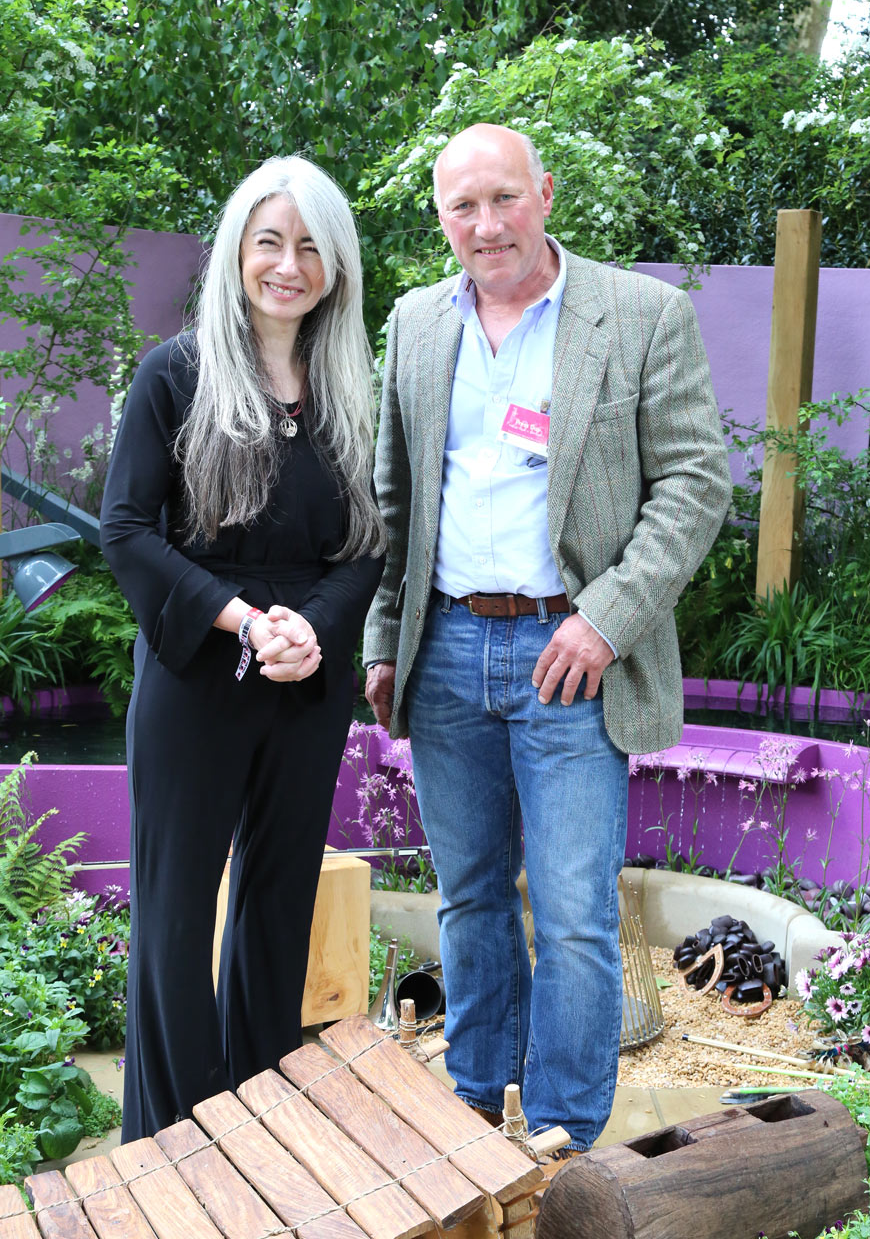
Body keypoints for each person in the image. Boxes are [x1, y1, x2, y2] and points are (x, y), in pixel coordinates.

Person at [363, 123, 732, 1155]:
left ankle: (562, 1138)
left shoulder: (641, 315)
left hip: (568, 657)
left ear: (545, 196)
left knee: (571, 914)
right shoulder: (415, 324)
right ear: (440, 219)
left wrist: (606, 619)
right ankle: (478, 1109)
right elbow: (395, 498)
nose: (485, 226)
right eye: (461, 208)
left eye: (502, 200)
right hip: (443, 654)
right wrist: (385, 636)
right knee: (471, 895)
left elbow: (696, 485)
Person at [101, 155, 385, 1141]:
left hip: (306, 684)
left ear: (336, 267)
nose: (288, 264)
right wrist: (239, 618)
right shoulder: (173, 375)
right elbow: (127, 531)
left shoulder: (351, 390)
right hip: (198, 676)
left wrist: (316, 628)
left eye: (310, 245)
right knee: (177, 920)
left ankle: (260, 1129)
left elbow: (368, 543)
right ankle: (176, 1145)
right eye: (269, 240)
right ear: (237, 252)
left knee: (277, 909)